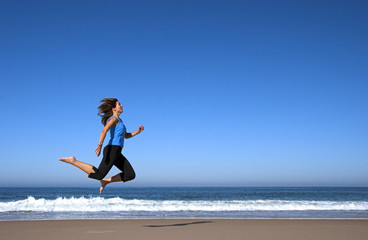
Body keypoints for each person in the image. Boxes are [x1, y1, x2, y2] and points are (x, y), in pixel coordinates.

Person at [59, 98, 144, 194]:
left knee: (130, 174)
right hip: (112, 150)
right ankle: (73, 161)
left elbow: (126, 136)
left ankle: (105, 181)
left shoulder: (120, 121)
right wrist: (99, 145)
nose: (122, 105)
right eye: (119, 104)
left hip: (117, 152)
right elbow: (104, 130)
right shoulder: (113, 119)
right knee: (99, 174)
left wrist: (138, 131)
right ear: (114, 109)